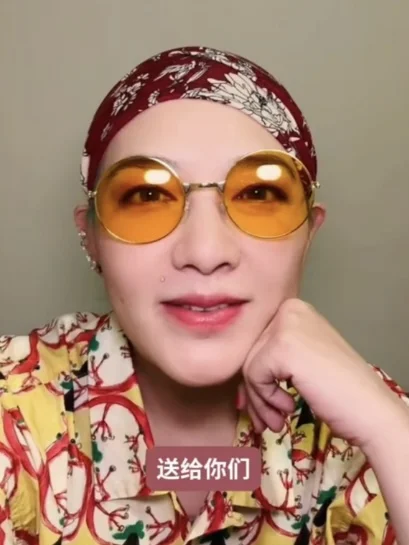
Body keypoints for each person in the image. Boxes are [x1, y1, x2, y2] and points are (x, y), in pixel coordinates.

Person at [0, 46, 408, 545]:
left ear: (308, 235)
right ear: (91, 237)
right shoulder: (13, 405)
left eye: (258, 194)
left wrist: (392, 435)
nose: (206, 252)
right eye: (147, 196)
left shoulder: (372, 418)